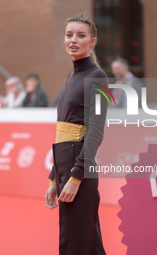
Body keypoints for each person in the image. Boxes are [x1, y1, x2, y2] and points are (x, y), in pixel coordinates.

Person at [45, 14, 107, 255]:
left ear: (92, 41)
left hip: (78, 169)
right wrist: (54, 177)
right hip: (66, 166)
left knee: (76, 244)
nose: (73, 40)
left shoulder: (97, 77)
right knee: (87, 244)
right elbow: (63, 134)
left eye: (81, 35)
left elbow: (96, 131)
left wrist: (75, 177)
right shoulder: (71, 78)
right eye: (69, 34)